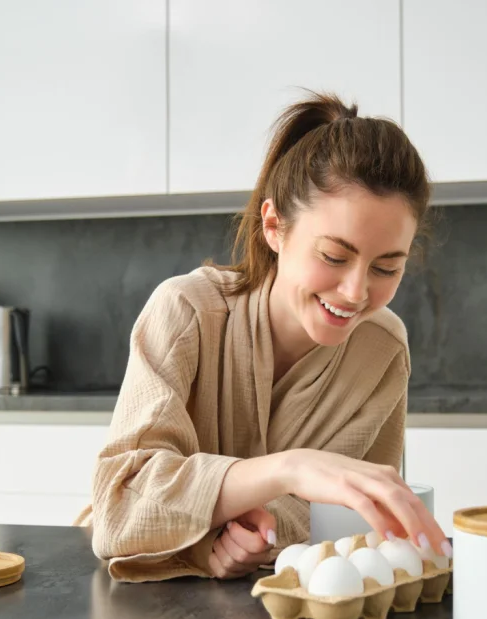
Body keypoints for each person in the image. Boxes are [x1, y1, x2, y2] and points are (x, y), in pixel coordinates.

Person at [76, 90, 451, 582]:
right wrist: (288, 470)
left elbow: (358, 526)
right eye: (334, 257)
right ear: (274, 226)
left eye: (386, 266)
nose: (356, 291)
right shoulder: (187, 312)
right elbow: (119, 509)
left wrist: (263, 528)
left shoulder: (382, 351)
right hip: (137, 614)